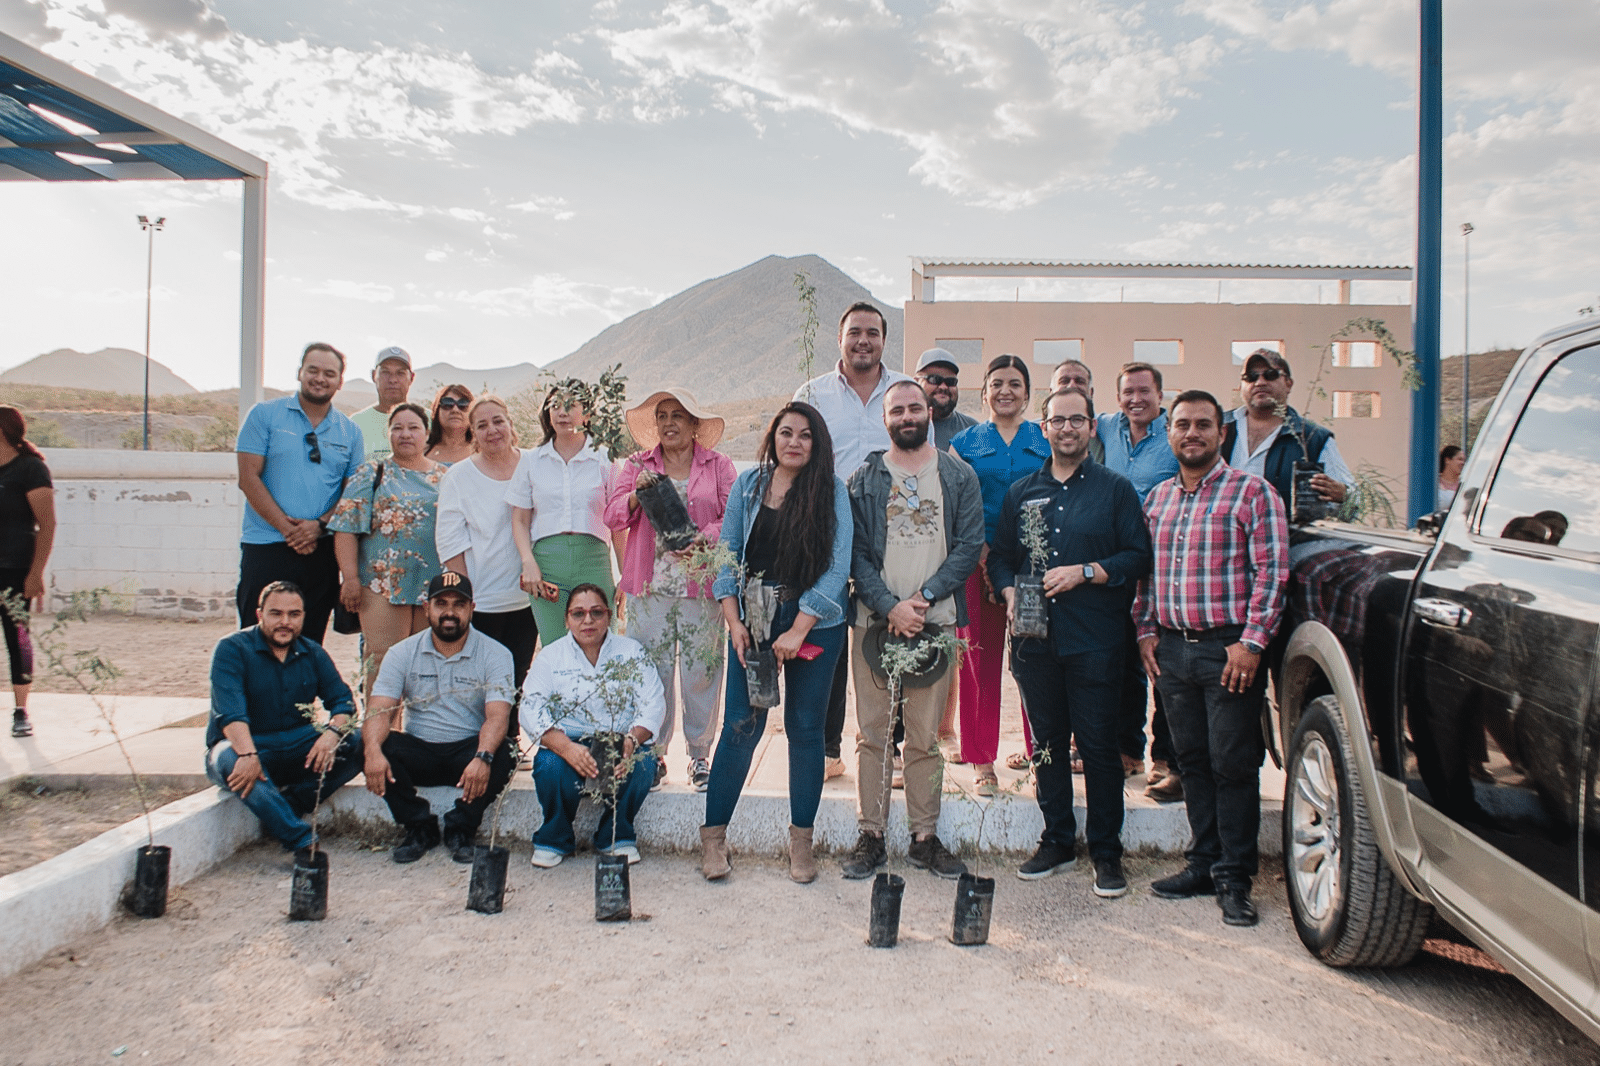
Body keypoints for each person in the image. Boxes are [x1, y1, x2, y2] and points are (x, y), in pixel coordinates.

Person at [989, 387, 1152, 894]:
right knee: (1047, 746)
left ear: (1091, 427)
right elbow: (1001, 558)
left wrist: (1087, 571)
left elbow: (1138, 556)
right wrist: (1009, 591)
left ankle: (1106, 851)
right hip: (1034, 642)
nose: (1067, 428)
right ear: (1044, 428)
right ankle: (1057, 840)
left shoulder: (1115, 490)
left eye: (1077, 420)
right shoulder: (1021, 492)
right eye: (1057, 420)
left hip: (1095, 640)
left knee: (1099, 746)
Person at [1135, 390, 1288, 927]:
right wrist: (1145, 631)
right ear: (1169, 434)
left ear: (1222, 434)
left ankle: (1234, 878)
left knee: (1233, 765)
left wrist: (1252, 643)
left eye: (1203, 425)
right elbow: (1146, 576)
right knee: (1193, 762)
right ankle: (1202, 863)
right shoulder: (1158, 500)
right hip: (1173, 651)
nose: (1192, 433)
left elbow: (1273, 574)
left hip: (1229, 651)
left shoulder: (1253, 493)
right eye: (1182, 425)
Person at [700, 403, 851, 884]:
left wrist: (799, 627)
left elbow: (838, 566)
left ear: (817, 444)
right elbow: (727, 554)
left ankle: (801, 843)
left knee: (805, 730)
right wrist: (734, 621)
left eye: (805, 435)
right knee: (741, 726)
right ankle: (714, 838)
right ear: (773, 437)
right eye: (786, 433)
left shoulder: (832, 491)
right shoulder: (749, 485)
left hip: (815, 621)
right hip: (756, 617)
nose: (794, 442)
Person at [842, 381, 984, 881]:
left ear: (928, 412)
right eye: (896, 410)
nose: (906, 416)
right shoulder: (865, 479)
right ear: (885, 420)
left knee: (925, 736)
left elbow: (970, 544)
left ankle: (925, 838)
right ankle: (872, 836)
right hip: (874, 625)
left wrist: (922, 599)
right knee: (874, 734)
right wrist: (890, 606)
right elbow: (856, 552)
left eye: (914, 407)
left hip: (935, 622)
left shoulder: (958, 474)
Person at [795, 302, 912, 779]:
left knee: (888, 636)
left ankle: (890, 746)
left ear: (884, 339)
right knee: (827, 638)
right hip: (825, 530)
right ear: (839, 339)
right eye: (855, 332)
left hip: (892, 534)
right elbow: (798, 458)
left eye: (873, 333)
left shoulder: (904, 390)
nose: (863, 341)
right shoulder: (813, 393)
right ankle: (827, 750)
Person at [606, 388, 736, 792]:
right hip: (650, 589)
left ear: (694, 423)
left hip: (702, 586)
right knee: (652, 672)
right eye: (661, 415)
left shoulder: (718, 465)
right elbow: (612, 515)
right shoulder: (636, 465)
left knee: (702, 671)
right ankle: (653, 755)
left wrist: (706, 536)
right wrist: (636, 495)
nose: (668, 422)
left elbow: (735, 516)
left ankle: (700, 756)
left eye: (677, 415)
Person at [362, 571, 517, 864]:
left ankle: (461, 829)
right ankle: (419, 828)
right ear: (426, 608)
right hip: (419, 750)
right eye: (441, 603)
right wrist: (372, 751)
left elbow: (498, 717)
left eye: (459, 604)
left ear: (472, 609)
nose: (450, 612)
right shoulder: (401, 652)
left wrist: (482, 757)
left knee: (505, 750)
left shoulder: (495, 653)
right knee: (371, 742)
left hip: (467, 755)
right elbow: (380, 710)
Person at [948, 354, 1050, 793]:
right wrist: (985, 558)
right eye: (997, 384)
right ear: (984, 392)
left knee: (1035, 663)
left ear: (1027, 393)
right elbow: (955, 507)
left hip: (1035, 571)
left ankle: (1041, 755)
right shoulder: (964, 444)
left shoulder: (1045, 438)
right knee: (978, 662)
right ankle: (981, 760)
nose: (1005, 391)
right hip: (977, 565)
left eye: (1014, 383)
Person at [204, 581, 364, 855]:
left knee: (360, 740)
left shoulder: (312, 651)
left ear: (303, 617)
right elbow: (230, 714)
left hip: (297, 746)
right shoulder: (232, 649)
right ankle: (300, 839)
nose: (285, 623)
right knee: (229, 756)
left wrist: (331, 735)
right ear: (260, 614)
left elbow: (344, 703)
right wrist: (248, 754)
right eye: (276, 614)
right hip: (248, 744)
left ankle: (289, 806)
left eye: (294, 615)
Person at [523, 584, 664, 868]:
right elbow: (531, 708)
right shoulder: (551, 657)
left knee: (645, 763)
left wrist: (631, 742)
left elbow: (653, 703)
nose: (587, 620)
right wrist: (566, 748)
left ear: (609, 616)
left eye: (596, 612)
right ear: (567, 620)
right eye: (578, 614)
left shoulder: (631, 652)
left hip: (619, 742)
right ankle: (555, 838)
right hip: (569, 743)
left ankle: (615, 836)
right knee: (549, 766)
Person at [1095, 362, 1184, 799]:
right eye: (1128, 392)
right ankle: (1128, 749)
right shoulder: (1107, 427)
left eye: (1144, 391)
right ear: (1117, 398)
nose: (1136, 399)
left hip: (1163, 564)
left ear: (1160, 396)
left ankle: (1166, 756)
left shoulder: (1174, 435)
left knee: (1162, 659)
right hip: (1117, 564)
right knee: (1125, 660)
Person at [235, 342, 363, 643]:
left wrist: (319, 526)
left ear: (340, 382)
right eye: (313, 370)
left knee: (309, 642)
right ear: (299, 373)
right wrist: (288, 529)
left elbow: (352, 493)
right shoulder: (264, 415)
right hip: (266, 546)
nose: (320, 379)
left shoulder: (350, 431)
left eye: (329, 374)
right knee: (257, 641)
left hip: (321, 551)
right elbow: (248, 478)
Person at [330, 403, 445, 699]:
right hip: (381, 585)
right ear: (388, 434)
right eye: (397, 428)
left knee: (425, 664)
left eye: (413, 427)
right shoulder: (372, 473)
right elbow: (345, 529)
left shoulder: (445, 477)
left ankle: (418, 729)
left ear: (427, 433)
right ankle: (379, 726)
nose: (405, 434)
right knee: (382, 661)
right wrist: (350, 579)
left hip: (432, 586)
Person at [509, 385, 626, 652]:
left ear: (587, 413)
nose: (562, 412)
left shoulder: (605, 459)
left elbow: (619, 525)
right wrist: (528, 562)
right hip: (546, 565)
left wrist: (626, 575)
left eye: (571, 405)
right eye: (555, 405)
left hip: (594, 561)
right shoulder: (532, 460)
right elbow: (520, 520)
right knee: (555, 648)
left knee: (601, 645)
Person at [436, 396, 538, 697]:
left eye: (498, 421)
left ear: (510, 424)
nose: (492, 430)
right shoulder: (458, 477)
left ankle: (511, 730)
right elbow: (450, 543)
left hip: (529, 597)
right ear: (473, 433)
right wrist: (465, 597)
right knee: (480, 682)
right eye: (482, 425)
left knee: (519, 676)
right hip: (483, 599)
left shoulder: (534, 464)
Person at [1223, 348, 1355, 508]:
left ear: (1288, 383)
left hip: (1281, 525)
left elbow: (1353, 501)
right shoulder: (1216, 428)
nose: (1260, 382)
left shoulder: (1312, 438)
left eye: (1270, 375)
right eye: (1250, 377)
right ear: (1240, 386)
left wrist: (1343, 496)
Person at [0, 406, 55, 739]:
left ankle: (21, 710)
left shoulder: (30, 469)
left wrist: (36, 573)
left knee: (16, 637)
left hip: (15, 570)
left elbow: (47, 524)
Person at [349, 346, 415, 459]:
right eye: (385, 372)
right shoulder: (355, 424)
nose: (393, 380)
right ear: (374, 375)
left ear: (411, 378)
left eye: (400, 373)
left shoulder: (430, 421)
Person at [915, 348, 977, 450]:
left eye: (950, 381)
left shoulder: (973, 431)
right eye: (934, 379)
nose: (943, 387)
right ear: (916, 382)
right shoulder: (902, 426)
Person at [1049, 359, 1105, 464]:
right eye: (1064, 381)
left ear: (1091, 392)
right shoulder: (1034, 432)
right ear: (1051, 392)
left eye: (1080, 381)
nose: (1072, 386)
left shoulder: (1105, 428)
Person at [424, 384, 474, 466]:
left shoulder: (484, 452)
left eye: (463, 404)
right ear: (437, 411)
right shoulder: (420, 452)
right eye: (447, 404)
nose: (455, 410)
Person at [1438, 444, 1465, 511]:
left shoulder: (1464, 484)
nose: (1463, 463)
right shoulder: (1433, 484)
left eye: (1464, 460)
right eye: (1460, 459)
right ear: (1447, 460)